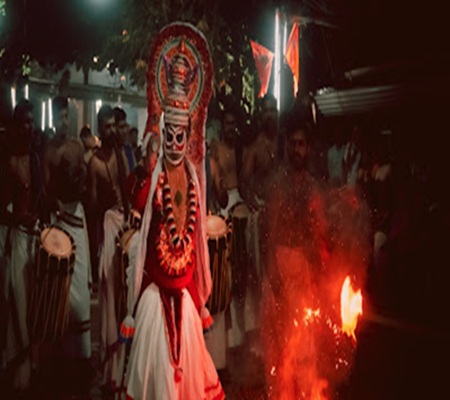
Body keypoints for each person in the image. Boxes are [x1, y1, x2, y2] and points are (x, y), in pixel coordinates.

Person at [120, 35, 224, 400]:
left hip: (184, 300)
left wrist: (199, 295)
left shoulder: (195, 182)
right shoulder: (152, 181)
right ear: (161, 134)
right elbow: (140, 214)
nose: (176, 144)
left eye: (182, 136)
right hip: (155, 302)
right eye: (170, 135)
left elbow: (196, 245)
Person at [40, 94, 92, 397]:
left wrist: (77, 180)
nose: (62, 122)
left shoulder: (76, 147)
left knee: (82, 296)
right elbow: (47, 193)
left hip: (78, 220)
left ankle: (82, 363)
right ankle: (59, 366)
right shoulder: (48, 151)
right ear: (53, 117)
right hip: (60, 222)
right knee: (61, 295)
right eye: (58, 117)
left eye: (65, 117)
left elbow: (84, 187)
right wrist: (58, 201)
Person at [0, 100, 43, 394]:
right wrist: (19, 218)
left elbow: (43, 196)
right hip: (13, 239)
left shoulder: (35, 159)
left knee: (34, 307)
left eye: (32, 121)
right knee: (17, 305)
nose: (28, 127)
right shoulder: (7, 161)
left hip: (33, 240)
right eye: (24, 121)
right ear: (17, 125)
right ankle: (17, 374)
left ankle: (32, 371)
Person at [87, 104, 130, 390]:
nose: (112, 130)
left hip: (124, 228)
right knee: (110, 295)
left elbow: (129, 187)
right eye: (108, 126)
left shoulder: (122, 154)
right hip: (106, 227)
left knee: (124, 296)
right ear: (100, 129)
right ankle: (108, 368)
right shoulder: (92, 163)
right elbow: (90, 206)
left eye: (115, 125)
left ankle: (123, 367)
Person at [114, 107, 136, 172]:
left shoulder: (128, 151)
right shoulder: (110, 154)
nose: (125, 131)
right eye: (121, 127)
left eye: (125, 126)